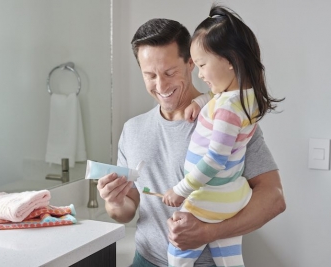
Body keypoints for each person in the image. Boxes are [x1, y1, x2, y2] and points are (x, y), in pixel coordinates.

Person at [97, 15, 286, 267]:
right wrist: (114, 200)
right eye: (150, 75)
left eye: (169, 72)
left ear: (191, 64)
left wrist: (209, 233)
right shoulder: (133, 130)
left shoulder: (227, 120)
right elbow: (128, 210)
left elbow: (274, 199)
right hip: (143, 260)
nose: (161, 84)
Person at [162, 5, 284, 267]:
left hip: (208, 197)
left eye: (203, 64)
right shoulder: (247, 99)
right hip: (232, 199)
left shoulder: (228, 108)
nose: (200, 74)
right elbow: (224, 99)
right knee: (229, 260)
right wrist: (203, 101)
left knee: (177, 255)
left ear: (229, 61)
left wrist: (180, 190)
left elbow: (216, 159)